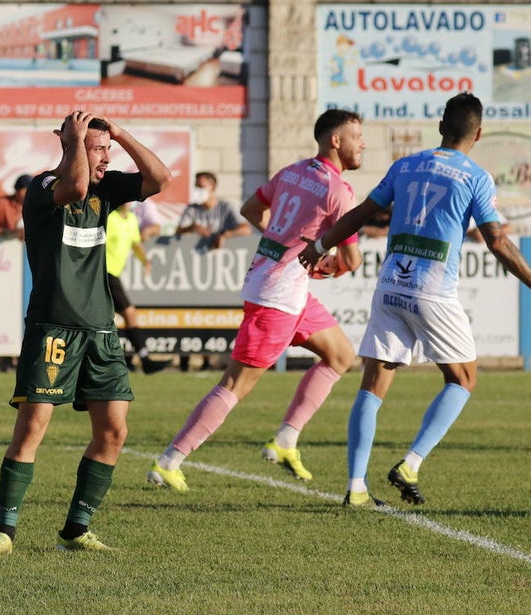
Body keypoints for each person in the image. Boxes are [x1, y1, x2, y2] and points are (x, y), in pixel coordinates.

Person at [298, 92, 531, 507]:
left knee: (373, 385)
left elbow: (358, 215)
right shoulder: (476, 177)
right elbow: (497, 241)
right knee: (462, 379)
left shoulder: (405, 165)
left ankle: (356, 487)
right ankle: (410, 464)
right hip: (432, 290)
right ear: (478, 134)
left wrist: (320, 245)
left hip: (391, 283)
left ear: (442, 126)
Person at [0, 110, 172, 555]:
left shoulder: (107, 188)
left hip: (101, 330)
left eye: (106, 150)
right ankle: (5, 532)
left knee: (114, 432)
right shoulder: (43, 187)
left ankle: (75, 530)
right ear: (68, 144)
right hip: (53, 328)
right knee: (32, 427)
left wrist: (120, 133)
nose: (104, 158)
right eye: (97, 149)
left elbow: (160, 178)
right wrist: (76, 143)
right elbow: (76, 186)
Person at [147, 109, 366, 492]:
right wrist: (327, 264)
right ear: (335, 140)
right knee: (236, 384)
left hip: (284, 286)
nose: (362, 143)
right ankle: (170, 461)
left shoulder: (292, 172)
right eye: (357, 136)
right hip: (278, 296)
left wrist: (287, 247)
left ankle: (285, 441)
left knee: (341, 356)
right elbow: (352, 260)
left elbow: (251, 209)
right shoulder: (339, 192)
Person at [175, 171, 253, 371]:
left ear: (212, 187)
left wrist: (226, 235)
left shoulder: (225, 207)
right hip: (193, 272)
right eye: (196, 185)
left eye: (201, 186)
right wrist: (191, 228)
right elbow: (177, 232)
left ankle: (207, 358)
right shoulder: (193, 209)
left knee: (212, 313)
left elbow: (246, 229)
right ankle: (185, 358)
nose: (198, 190)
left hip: (219, 273)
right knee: (189, 313)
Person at [106, 202, 172, 375]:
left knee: (107, 317)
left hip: (114, 274)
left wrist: (146, 261)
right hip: (104, 272)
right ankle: (144, 360)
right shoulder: (109, 218)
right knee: (129, 313)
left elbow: (135, 243)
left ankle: (136, 360)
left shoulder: (132, 220)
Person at [0, 174, 32, 372]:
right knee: (6, 309)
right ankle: (6, 357)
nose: (23, 194)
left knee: (30, 312)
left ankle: (25, 357)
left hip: (33, 268)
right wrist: (7, 234)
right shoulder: (4, 204)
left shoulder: (39, 203)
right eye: (21, 190)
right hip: (7, 269)